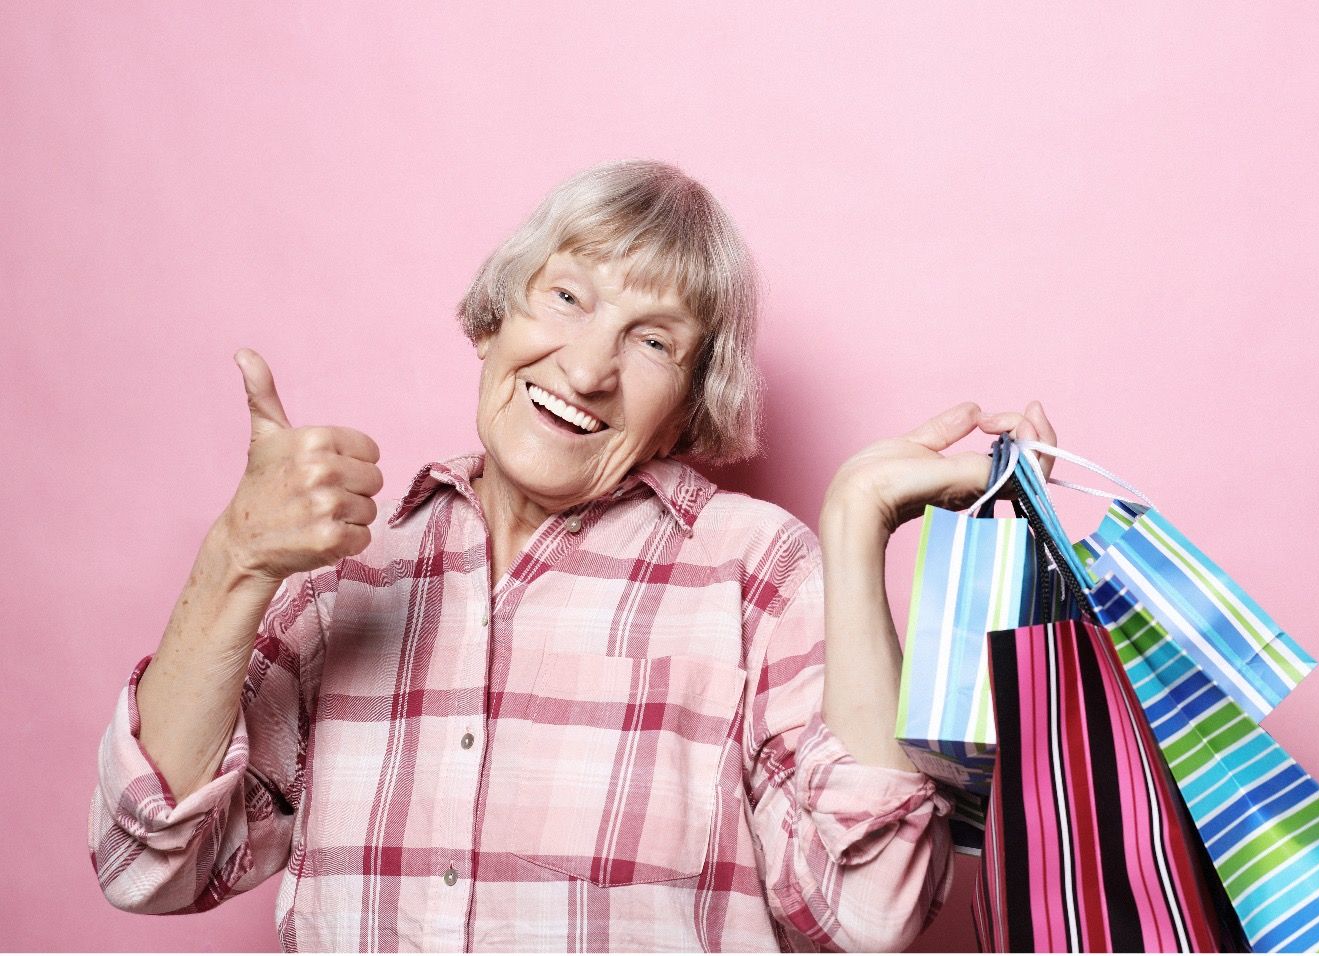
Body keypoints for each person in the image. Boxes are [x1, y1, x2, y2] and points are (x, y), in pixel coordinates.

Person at [88, 160, 1058, 952]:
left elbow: (870, 911)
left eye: (651, 342)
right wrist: (235, 562)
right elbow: (149, 862)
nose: (588, 368)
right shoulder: (349, 570)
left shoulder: (752, 571)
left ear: (689, 402)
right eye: (566, 296)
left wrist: (853, 527)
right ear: (496, 313)